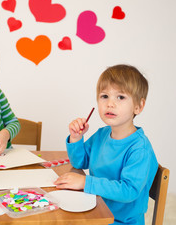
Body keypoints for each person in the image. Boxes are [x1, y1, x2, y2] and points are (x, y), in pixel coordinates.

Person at [54, 64, 158, 225]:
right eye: (104, 96)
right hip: (96, 210)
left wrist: (85, 182)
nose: (110, 103)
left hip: (122, 221)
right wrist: (76, 138)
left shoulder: (139, 149)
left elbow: (128, 191)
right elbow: (79, 162)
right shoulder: (102, 134)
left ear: (138, 106)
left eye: (120, 97)